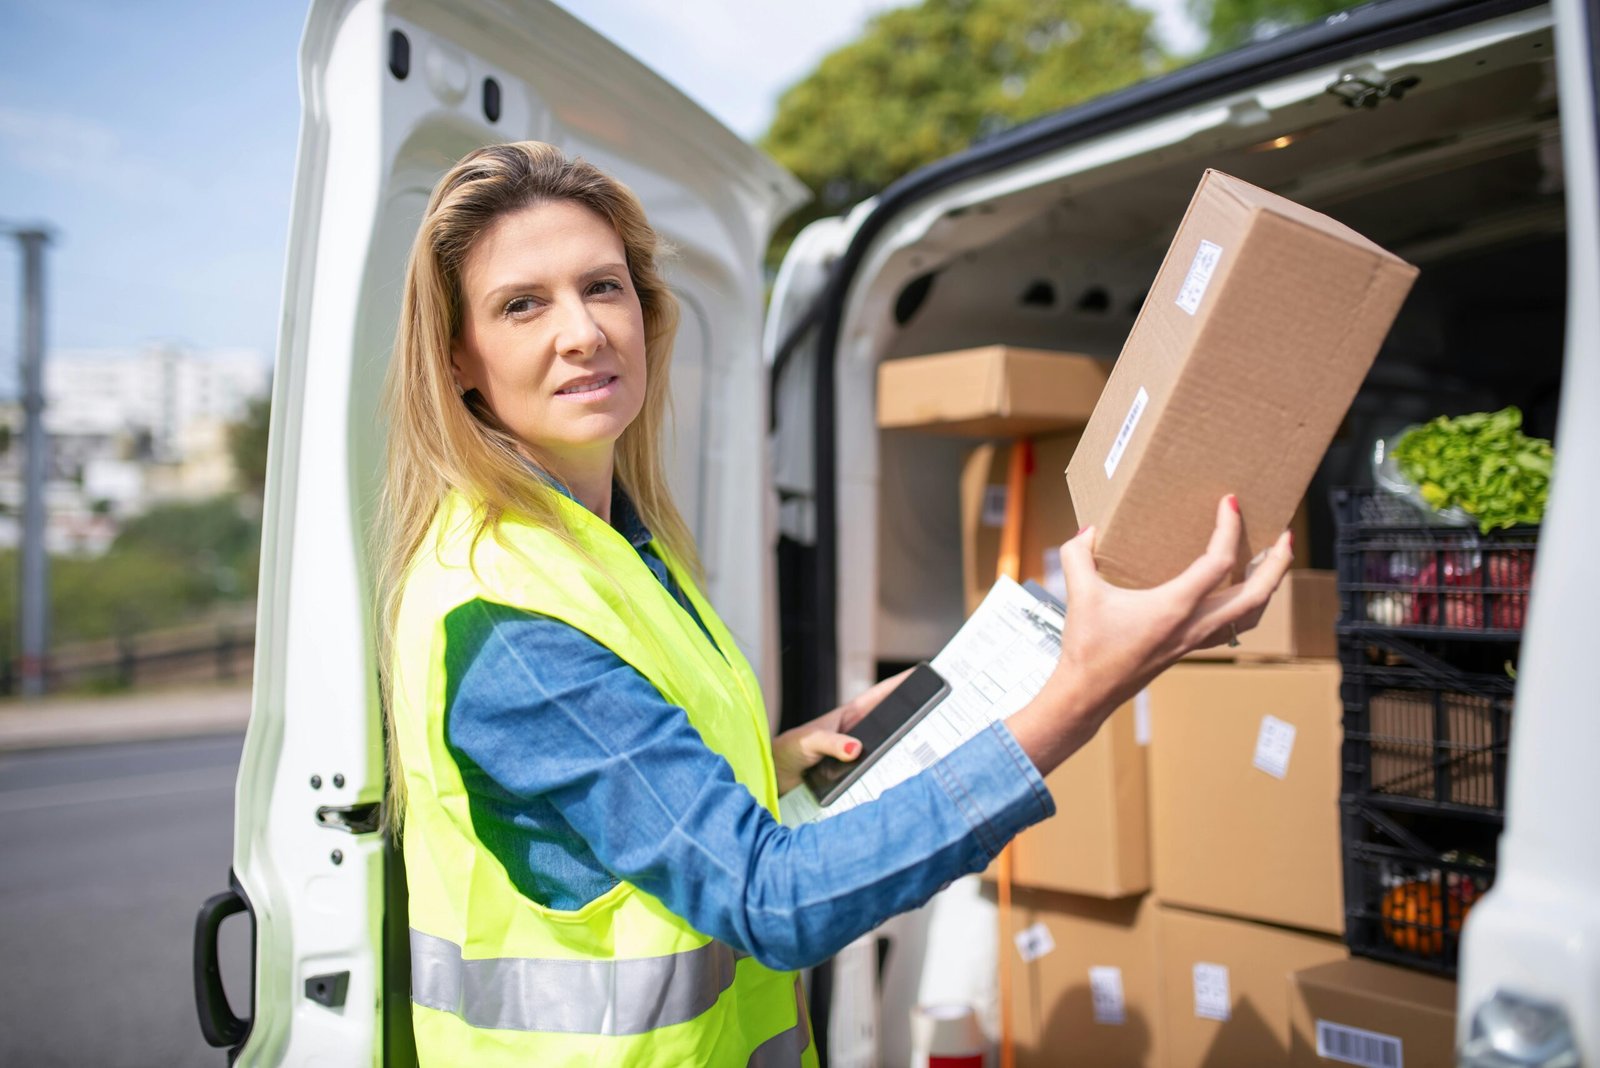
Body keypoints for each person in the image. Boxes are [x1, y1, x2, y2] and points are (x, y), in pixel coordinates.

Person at [374, 141, 1293, 1068]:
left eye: (602, 287)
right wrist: (1084, 690)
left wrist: (773, 764)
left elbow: (608, 820)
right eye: (522, 304)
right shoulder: (509, 611)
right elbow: (770, 902)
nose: (581, 331)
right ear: (458, 358)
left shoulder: (606, 545)